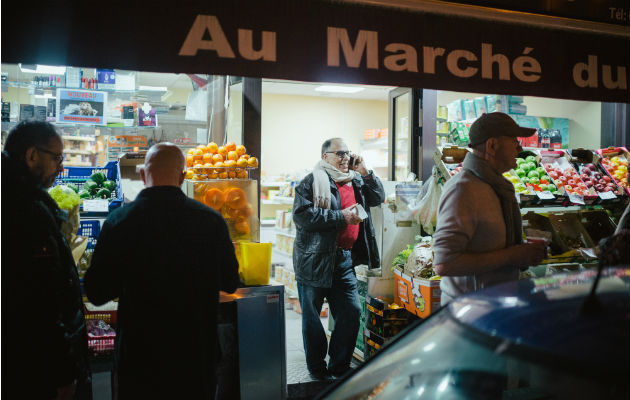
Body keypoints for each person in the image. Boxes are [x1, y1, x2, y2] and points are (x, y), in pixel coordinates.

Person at [84, 143, 240, 399]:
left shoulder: (119, 221)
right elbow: (231, 283)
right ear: (183, 177)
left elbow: (97, 292)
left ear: (144, 176)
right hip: (196, 356)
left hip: (139, 359)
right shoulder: (211, 221)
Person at [1, 120, 91, 399]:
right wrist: (62, 372)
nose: (61, 167)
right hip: (32, 368)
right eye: (57, 158)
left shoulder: (16, 197)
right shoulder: (25, 210)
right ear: (31, 156)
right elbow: (40, 303)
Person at [292, 138, 385, 380]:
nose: (346, 158)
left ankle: (339, 366)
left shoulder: (355, 180)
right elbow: (303, 216)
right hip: (314, 259)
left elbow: (378, 197)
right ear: (326, 157)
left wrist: (365, 171)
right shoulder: (311, 182)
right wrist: (340, 217)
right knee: (312, 317)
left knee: (351, 311)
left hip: (344, 259)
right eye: (340, 153)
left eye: (348, 153)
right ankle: (317, 368)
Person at [433, 112, 546, 305]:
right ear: (492, 145)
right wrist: (513, 255)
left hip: (494, 307)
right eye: (514, 141)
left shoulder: (498, 187)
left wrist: (522, 254)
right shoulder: (464, 189)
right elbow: (445, 264)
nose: (519, 148)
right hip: (469, 313)